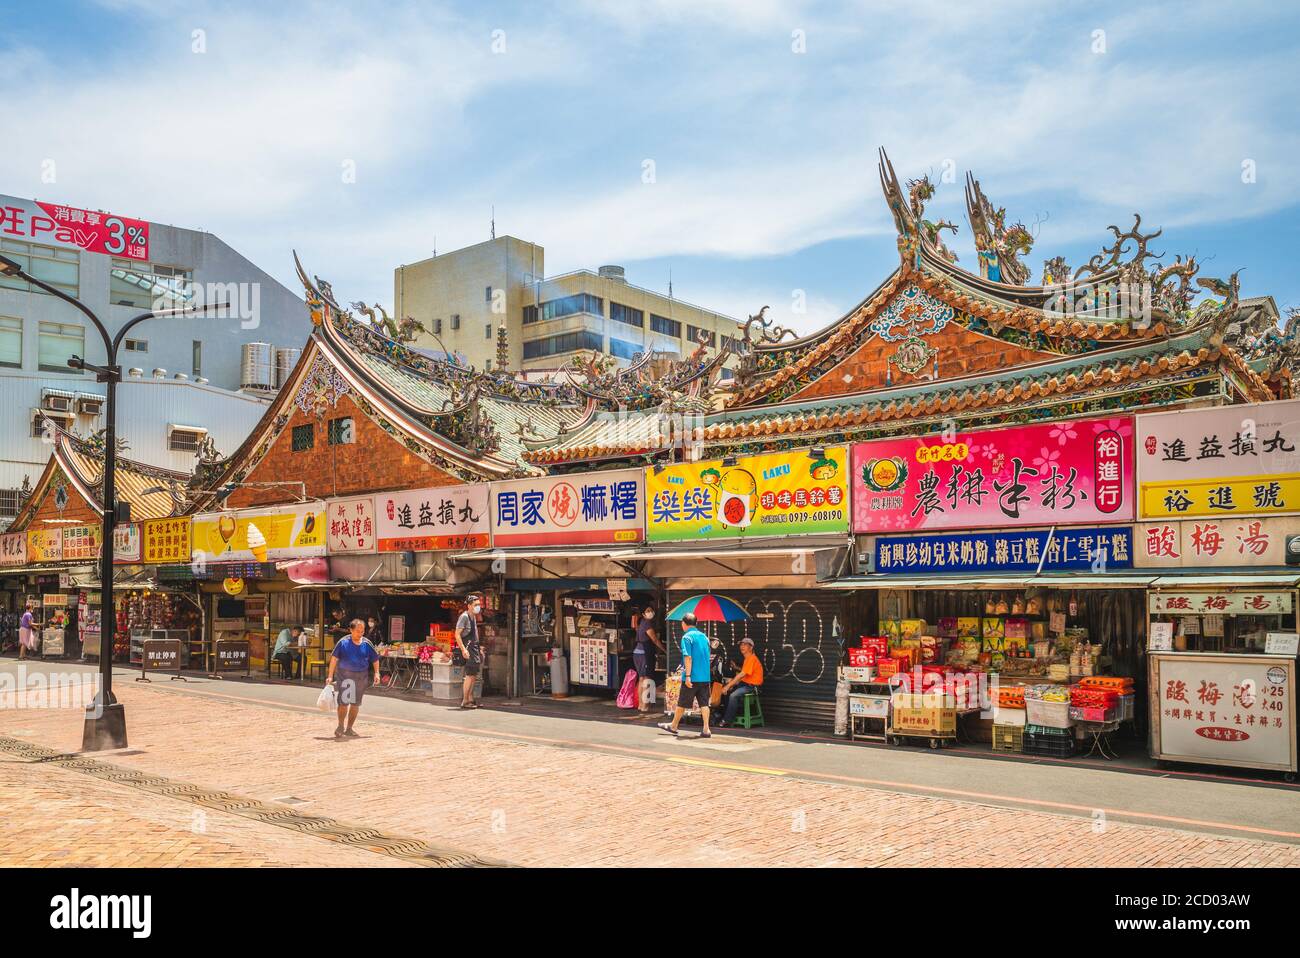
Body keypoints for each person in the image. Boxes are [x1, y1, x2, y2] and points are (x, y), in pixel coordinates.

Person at [658, 613, 711, 738]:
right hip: (705, 677)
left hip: (692, 677)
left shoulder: (687, 637)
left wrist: (687, 676)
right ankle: (706, 729)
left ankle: (674, 726)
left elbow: (688, 657)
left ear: (684, 623)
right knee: (704, 703)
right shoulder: (704, 637)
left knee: (682, 702)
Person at [326, 619, 380, 739]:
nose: (360, 634)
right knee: (344, 702)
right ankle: (340, 726)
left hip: (361, 677)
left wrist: (377, 673)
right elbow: (334, 659)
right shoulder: (343, 642)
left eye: (362, 631)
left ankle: (349, 728)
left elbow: (375, 659)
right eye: (357, 631)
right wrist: (330, 676)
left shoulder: (367, 643)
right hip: (345, 676)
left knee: (355, 704)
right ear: (351, 630)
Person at [717, 636, 764, 727]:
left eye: (745, 645)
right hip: (745, 684)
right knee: (728, 692)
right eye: (741, 645)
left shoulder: (751, 658)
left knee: (733, 695)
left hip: (752, 686)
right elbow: (745, 672)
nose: (742, 647)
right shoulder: (747, 659)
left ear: (751, 647)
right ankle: (727, 715)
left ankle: (727, 720)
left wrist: (728, 685)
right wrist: (735, 669)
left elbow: (741, 674)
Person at [633, 605, 665, 711]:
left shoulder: (642, 622)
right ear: (643, 614)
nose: (650, 612)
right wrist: (665, 650)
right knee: (647, 679)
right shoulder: (647, 624)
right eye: (647, 611)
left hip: (637, 653)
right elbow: (655, 640)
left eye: (651, 610)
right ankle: (645, 705)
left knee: (642, 678)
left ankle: (641, 705)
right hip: (644, 654)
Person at [454, 595, 484, 710]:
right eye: (475, 605)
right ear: (469, 606)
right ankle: (465, 700)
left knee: (474, 675)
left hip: (474, 648)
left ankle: (471, 699)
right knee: (469, 675)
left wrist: (478, 647)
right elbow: (457, 634)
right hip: (468, 648)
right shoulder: (464, 617)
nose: (478, 607)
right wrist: (463, 649)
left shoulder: (473, 617)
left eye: (478, 605)